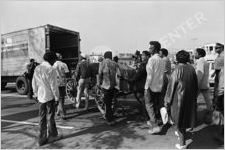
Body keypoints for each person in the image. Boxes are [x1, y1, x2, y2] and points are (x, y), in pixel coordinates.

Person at [164, 50, 198, 149]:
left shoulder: (177, 69)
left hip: (178, 100)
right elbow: (195, 85)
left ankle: (182, 144)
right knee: (185, 119)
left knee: (179, 121)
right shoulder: (191, 68)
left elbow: (171, 87)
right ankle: (182, 136)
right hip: (189, 98)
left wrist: (167, 101)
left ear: (178, 58)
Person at [32, 51, 61, 146]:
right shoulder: (51, 69)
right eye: (54, 60)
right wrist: (57, 98)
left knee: (42, 118)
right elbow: (54, 86)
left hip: (40, 97)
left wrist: (35, 94)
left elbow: (34, 83)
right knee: (50, 117)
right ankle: (52, 136)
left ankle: (41, 139)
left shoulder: (37, 68)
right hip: (49, 97)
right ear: (52, 60)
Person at [145, 41, 165, 134]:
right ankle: (155, 121)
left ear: (155, 49)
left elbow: (149, 75)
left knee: (149, 105)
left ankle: (155, 126)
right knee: (156, 105)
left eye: (151, 48)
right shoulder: (162, 59)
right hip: (159, 86)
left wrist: (146, 87)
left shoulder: (151, 59)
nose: (149, 49)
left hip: (151, 86)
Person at [97, 51, 120, 125]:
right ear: (110, 56)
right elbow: (119, 75)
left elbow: (100, 74)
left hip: (105, 86)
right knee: (110, 102)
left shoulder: (102, 63)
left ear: (105, 56)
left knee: (107, 104)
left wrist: (98, 83)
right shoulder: (115, 63)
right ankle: (110, 116)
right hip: (113, 86)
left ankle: (109, 120)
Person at [130, 50, 151, 121]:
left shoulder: (143, 64)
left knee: (144, 101)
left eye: (143, 55)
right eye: (142, 55)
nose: (142, 57)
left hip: (143, 85)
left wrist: (131, 80)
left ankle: (145, 116)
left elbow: (138, 75)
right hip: (150, 84)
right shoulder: (150, 63)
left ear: (148, 56)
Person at [53, 53, 70, 119]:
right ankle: (62, 113)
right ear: (60, 57)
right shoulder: (64, 64)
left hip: (55, 83)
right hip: (62, 83)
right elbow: (67, 73)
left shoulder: (53, 65)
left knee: (57, 97)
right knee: (62, 98)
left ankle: (58, 110)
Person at [212, 43, 224, 107]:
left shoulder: (222, 56)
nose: (216, 49)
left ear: (222, 48)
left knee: (218, 95)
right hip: (218, 76)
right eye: (215, 48)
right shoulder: (219, 55)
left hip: (220, 78)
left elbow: (217, 68)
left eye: (217, 48)